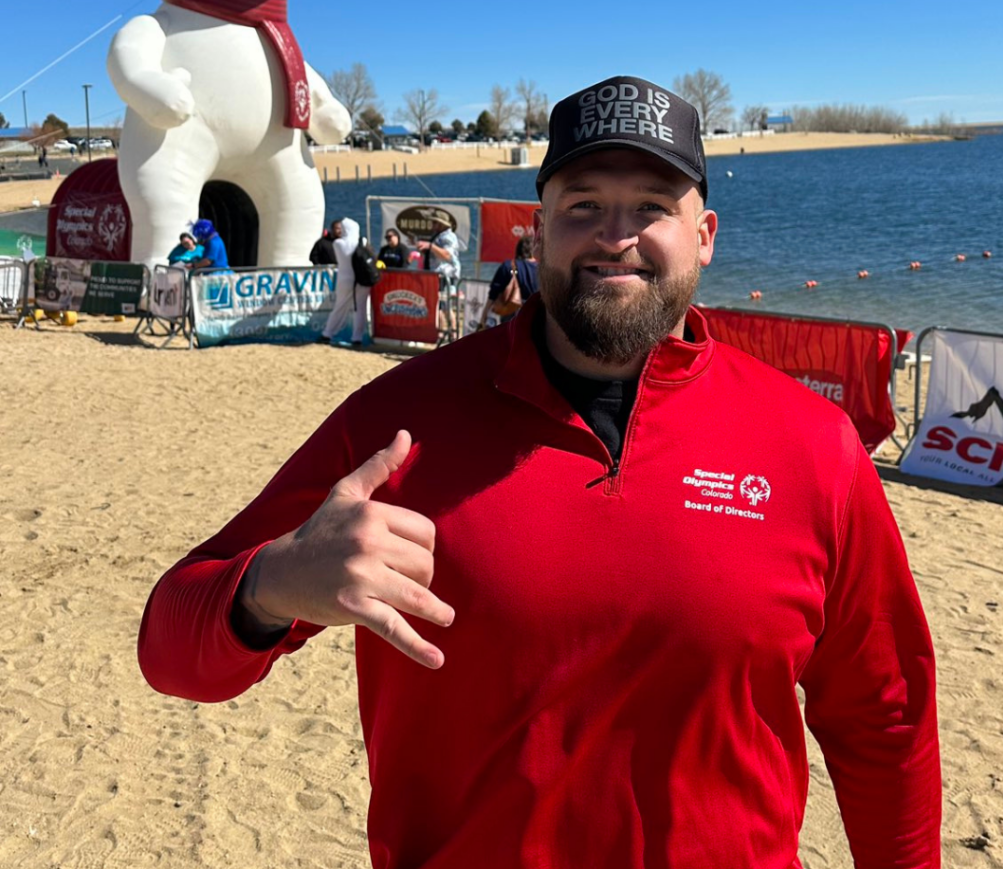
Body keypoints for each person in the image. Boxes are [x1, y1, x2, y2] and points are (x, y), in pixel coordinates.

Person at [138, 75, 940, 868]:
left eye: (653, 207)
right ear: (539, 230)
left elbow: (888, 718)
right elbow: (171, 650)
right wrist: (272, 584)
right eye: (583, 205)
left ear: (705, 236)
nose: (614, 234)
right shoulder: (399, 427)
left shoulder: (809, 444)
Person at [318, 216, 370, 346]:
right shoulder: (362, 241)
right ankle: (357, 338)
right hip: (362, 278)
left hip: (345, 279)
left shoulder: (338, 243)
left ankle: (327, 334)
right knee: (360, 309)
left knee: (339, 307)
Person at [479, 234, 539, 326]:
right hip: (536, 316)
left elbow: (493, 293)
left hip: (512, 315)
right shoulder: (542, 269)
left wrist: (485, 313)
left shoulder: (509, 266)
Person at [416, 211, 460, 334]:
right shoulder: (438, 235)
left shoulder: (448, 237)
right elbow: (437, 255)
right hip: (436, 276)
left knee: (445, 306)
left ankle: (452, 332)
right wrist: (426, 250)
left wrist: (430, 246)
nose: (432, 225)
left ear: (441, 223)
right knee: (439, 306)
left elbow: (447, 255)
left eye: (434, 222)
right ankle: (442, 332)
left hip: (444, 276)